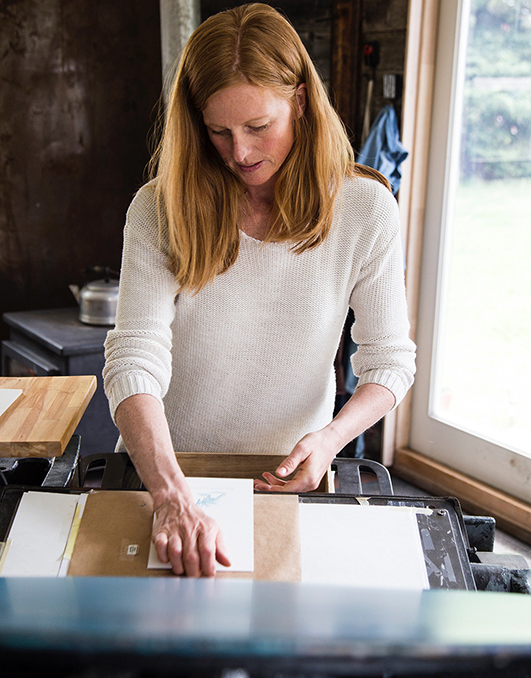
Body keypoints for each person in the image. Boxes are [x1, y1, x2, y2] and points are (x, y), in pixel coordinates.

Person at [103, 3, 416, 578]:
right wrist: (171, 493)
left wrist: (330, 439)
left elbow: (389, 362)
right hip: (165, 476)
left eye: (257, 127)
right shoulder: (158, 208)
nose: (240, 153)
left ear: (298, 100)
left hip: (288, 477)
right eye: (218, 131)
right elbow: (133, 357)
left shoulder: (366, 210)